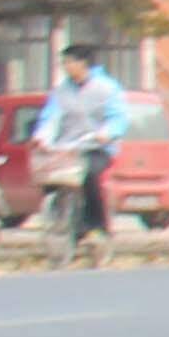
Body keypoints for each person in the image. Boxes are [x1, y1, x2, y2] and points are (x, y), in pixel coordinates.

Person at [33, 44, 125, 252]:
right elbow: (51, 117)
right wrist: (42, 137)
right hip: (67, 147)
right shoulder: (61, 91)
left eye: (69, 62)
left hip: (96, 147)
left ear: (83, 63)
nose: (65, 67)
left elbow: (117, 117)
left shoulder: (107, 88)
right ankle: (63, 222)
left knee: (89, 175)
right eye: (63, 62)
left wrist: (107, 133)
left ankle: (96, 226)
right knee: (52, 178)